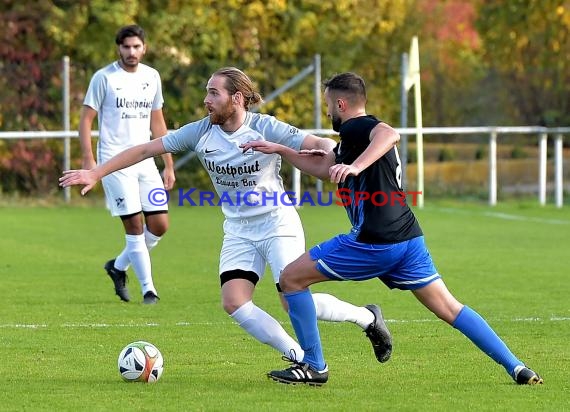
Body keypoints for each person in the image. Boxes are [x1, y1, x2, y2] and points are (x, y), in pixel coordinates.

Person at [61, 67, 392, 365]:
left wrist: (330, 149)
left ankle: (366, 318)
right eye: (207, 92)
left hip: (277, 222)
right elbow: (146, 149)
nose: (206, 100)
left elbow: (317, 142)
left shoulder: (265, 127)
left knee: (292, 300)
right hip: (238, 228)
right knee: (234, 301)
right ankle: (296, 355)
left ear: (236, 98)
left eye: (213, 93)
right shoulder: (200, 132)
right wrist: (97, 172)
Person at [241, 72, 543, 386]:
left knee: (291, 278)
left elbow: (389, 133)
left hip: (374, 240)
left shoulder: (357, 126)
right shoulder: (352, 139)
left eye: (329, 105)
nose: (328, 112)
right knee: (450, 308)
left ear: (341, 103)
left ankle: (315, 365)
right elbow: (324, 168)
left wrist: (355, 166)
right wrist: (280, 150)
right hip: (408, 239)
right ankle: (517, 367)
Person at [78, 25, 175, 304]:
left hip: (146, 163)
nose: (131, 52)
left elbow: (157, 121)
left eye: (136, 46)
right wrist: (89, 161)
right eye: (126, 47)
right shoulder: (104, 78)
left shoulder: (151, 76)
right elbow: (86, 120)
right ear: (118, 48)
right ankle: (149, 291)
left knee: (159, 225)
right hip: (113, 163)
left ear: (144, 47)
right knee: (134, 226)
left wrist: (167, 164)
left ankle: (118, 266)